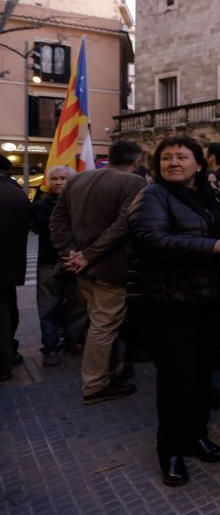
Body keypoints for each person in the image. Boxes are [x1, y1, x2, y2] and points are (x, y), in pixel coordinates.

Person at [127, 135, 220, 487]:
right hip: (166, 305)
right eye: (166, 158)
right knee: (176, 380)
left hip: (205, 303)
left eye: (181, 157)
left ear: (197, 163)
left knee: (201, 376)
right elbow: (153, 239)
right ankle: (171, 451)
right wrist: (213, 248)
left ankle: (196, 437)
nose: (173, 163)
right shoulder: (152, 196)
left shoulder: (208, 197)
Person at [50, 140, 146, 404]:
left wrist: (71, 252)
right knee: (103, 326)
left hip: (83, 267)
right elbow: (123, 225)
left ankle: (109, 370)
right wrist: (84, 255)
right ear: (137, 161)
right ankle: (95, 384)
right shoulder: (135, 183)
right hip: (109, 267)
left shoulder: (77, 180)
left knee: (98, 322)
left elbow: (57, 221)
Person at [31, 166, 87, 365]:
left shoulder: (83, 205)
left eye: (63, 178)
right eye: (54, 178)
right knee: (48, 307)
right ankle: (50, 346)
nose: (58, 182)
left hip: (77, 263)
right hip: (48, 262)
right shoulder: (40, 206)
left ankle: (73, 340)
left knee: (78, 305)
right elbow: (42, 229)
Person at [0, 154, 30, 381]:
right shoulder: (16, 192)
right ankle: (9, 353)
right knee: (9, 309)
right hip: (11, 265)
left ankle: (3, 362)